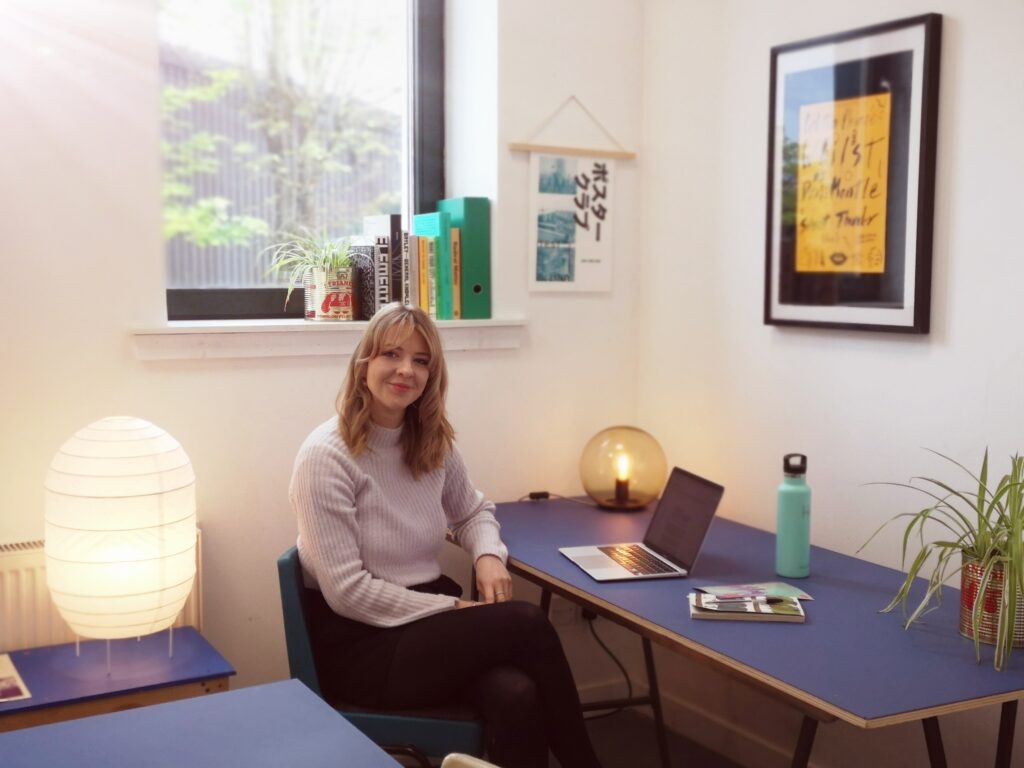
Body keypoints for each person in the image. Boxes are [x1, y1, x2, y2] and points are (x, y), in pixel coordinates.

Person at [289, 302, 603, 768]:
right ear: (364, 364)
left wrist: (487, 557)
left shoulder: (431, 441)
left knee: (514, 694)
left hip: (428, 630)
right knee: (527, 624)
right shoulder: (325, 456)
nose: (405, 370)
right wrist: (454, 607)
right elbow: (348, 593)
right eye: (391, 355)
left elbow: (473, 511)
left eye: (420, 361)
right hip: (363, 645)